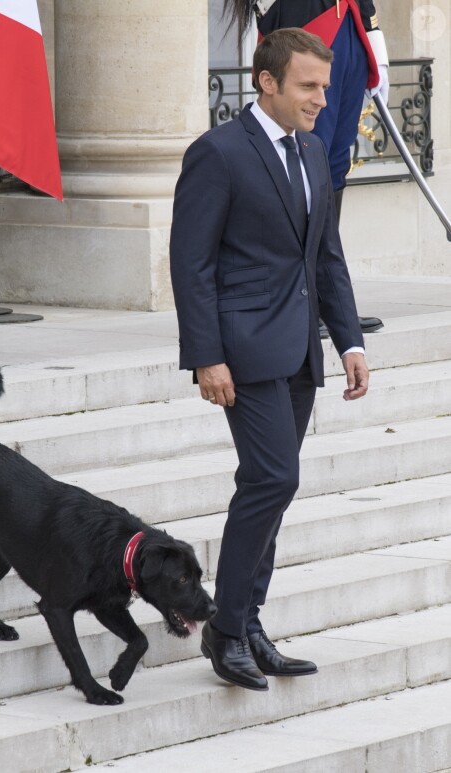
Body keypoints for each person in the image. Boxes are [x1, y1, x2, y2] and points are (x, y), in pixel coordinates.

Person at [170, 28, 369, 691]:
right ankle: (226, 627)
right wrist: (206, 356)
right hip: (243, 351)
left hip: (299, 352)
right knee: (273, 479)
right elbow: (190, 262)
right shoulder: (218, 154)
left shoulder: (312, 151)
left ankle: (249, 621)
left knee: (271, 488)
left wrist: (350, 340)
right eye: (309, 86)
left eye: (324, 85)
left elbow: (326, 256)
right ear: (267, 82)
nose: (322, 98)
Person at [224, 0, 388, 337]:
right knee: (308, 159)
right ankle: (301, 300)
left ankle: (328, 300)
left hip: (348, 21)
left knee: (334, 165)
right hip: (308, 20)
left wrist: (372, 34)